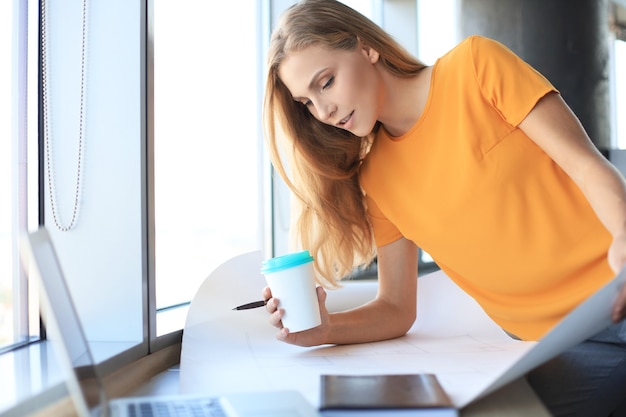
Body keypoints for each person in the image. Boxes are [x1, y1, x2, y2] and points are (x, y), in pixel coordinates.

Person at [261, 0, 626, 415]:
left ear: (366, 49)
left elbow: (584, 162)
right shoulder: (376, 177)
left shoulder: (474, 66)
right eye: (306, 102)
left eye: (325, 82)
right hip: (555, 346)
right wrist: (325, 329)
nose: (323, 111)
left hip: (618, 289)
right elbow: (396, 308)